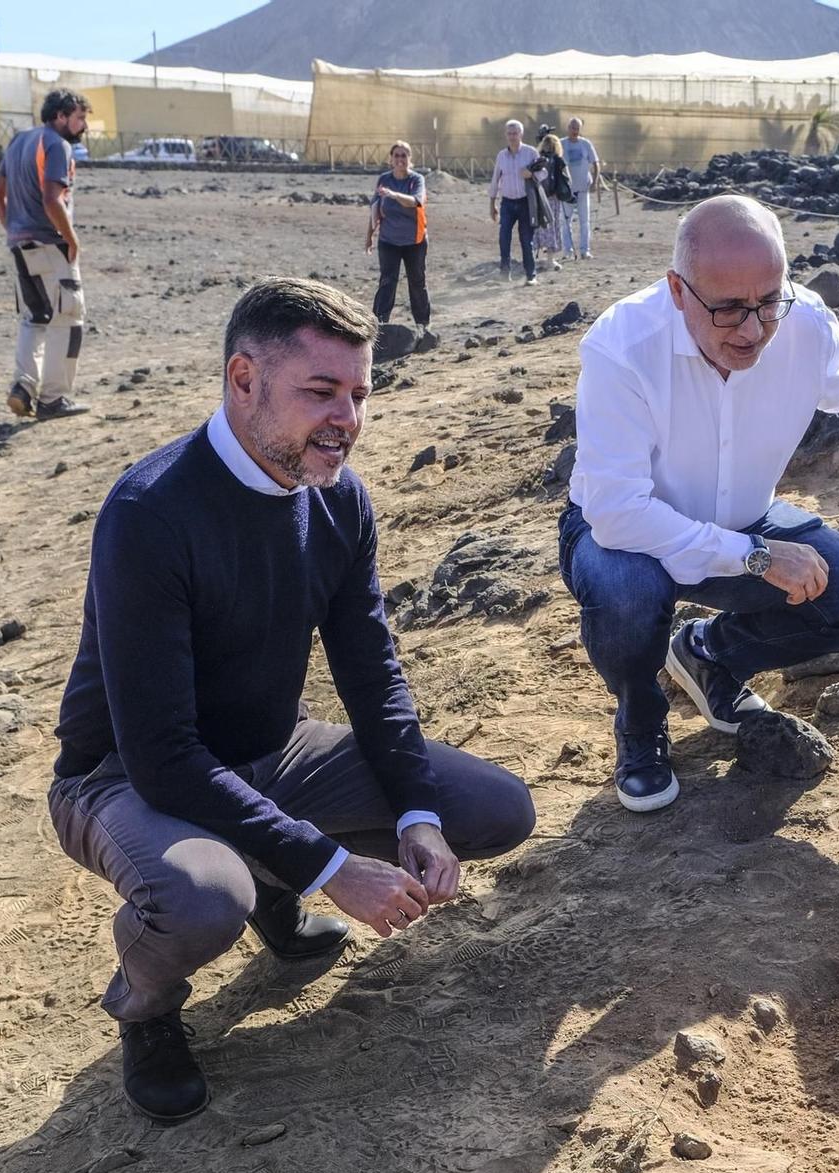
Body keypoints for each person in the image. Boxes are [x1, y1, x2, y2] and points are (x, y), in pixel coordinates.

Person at [48, 277, 537, 1121]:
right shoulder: (150, 512)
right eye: (320, 391)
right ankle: (148, 1006)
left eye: (358, 393)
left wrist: (417, 812)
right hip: (120, 776)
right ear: (244, 380)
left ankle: (270, 874)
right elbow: (164, 756)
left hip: (273, 752)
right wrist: (332, 866)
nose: (346, 416)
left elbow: (372, 672)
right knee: (206, 900)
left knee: (493, 808)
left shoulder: (340, 500)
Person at [559, 196, 839, 812]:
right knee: (629, 594)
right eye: (727, 309)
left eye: (767, 302)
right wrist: (754, 557)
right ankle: (641, 727)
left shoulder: (802, 323)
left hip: (746, 520)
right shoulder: (621, 347)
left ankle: (707, 655)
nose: (752, 330)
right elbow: (617, 510)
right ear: (677, 290)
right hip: (624, 537)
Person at [0, 88, 92, 420]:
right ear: (60, 116)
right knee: (68, 318)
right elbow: (52, 199)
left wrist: (13, 229)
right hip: (50, 244)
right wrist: (71, 237)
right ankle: (53, 398)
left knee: (33, 318)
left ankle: (23, 387)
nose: (83, 125)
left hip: (20, 244)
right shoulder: (56, 145)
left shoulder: (19, 141)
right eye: (79, 118)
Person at [366, 140, 429, 333]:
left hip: (414, 240)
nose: (400, 159)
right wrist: (369, 236)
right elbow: (375, 209)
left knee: (417, 281)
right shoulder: (384, 179)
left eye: (404, 155)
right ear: (391, 159)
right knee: (387, 281)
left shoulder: (416, 180)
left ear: (410, 159)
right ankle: (379, 325)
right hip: (388, 240)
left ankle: (422, 325)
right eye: (397, 156)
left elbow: (416, 202)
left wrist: (393, 195)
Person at [490, 120, 543, 285]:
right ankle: (505, 272)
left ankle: (531, 275)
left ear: (521, 134)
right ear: (506, 135)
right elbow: (495, 180)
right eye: (509, 133)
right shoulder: (501, 156)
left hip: (526, 202)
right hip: (507, 203)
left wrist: (531, 174)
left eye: (515, 133)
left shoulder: (531, 153)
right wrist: (492, 203)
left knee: (526, 239)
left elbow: (544, 172)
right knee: (503, 236)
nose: (512, 136)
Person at [559, 117, 600, 260]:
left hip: (583, 188)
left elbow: (595, 163)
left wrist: (595, 182)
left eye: (577, 128)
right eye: (572, 128)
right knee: (565, 221)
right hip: (566, 190)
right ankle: (568, 250)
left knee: (584, 220)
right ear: (568, 128)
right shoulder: (561, 144)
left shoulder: (586, 144)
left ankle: (585, 250)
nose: (574, 131)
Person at [534, 132, 571, 267]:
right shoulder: (559, 160)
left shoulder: (538, 158)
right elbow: (568, 178)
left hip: (539, 196)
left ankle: (534, 257)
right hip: (554, 198)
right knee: (553, 226)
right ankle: (550, 259)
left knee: (537, 226)